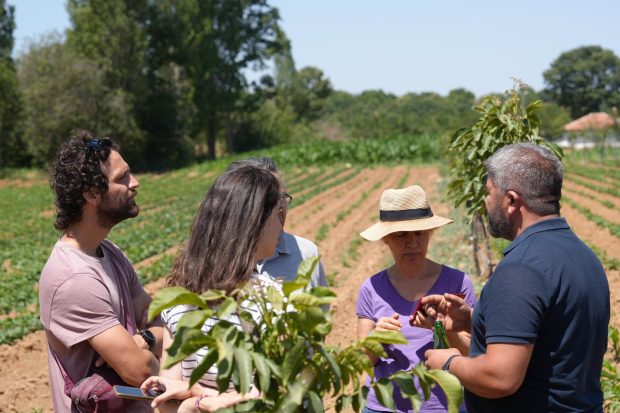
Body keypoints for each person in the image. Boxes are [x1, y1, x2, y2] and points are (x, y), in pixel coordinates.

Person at [419, 143, 610, 413]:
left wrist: (449, 361)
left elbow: (500, 378)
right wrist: (473, 321)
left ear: (510, 201)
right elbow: (551, 335)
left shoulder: (521, 269)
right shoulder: (582, 255)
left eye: (488, 193)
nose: (485, 203)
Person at [142, 165, 284, 412]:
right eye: (276, 214)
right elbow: (275, 398)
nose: (281, 225)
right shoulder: (268, 300)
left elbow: (168, 403)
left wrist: (196, 397)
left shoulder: (181, 297)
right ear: (254, 224)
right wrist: (207, 400)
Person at [39, 131, 163, 412]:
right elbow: (142, 373)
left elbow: (158, 320)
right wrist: (152, 352)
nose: (135, 183)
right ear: (92, 193)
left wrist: (146, 339)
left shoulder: (110, 252)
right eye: (122, 178)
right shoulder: (74, 279)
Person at [356, 185, 476, 413]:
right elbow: (364, 362)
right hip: (384, 407)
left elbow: (473, 353)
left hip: (442, 406)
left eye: (419, 233)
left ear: (430, 234)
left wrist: (444, 329)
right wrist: (376, 338)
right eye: (401, 235)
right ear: (385, 240)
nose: (412, 243)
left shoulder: (457, 283)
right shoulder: (371, 288)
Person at [226, 157, 327, 289]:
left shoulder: (306, 253)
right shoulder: (206, 265)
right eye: (270, 200)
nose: (280, 208)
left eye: (283, 198)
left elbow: (319, 309)